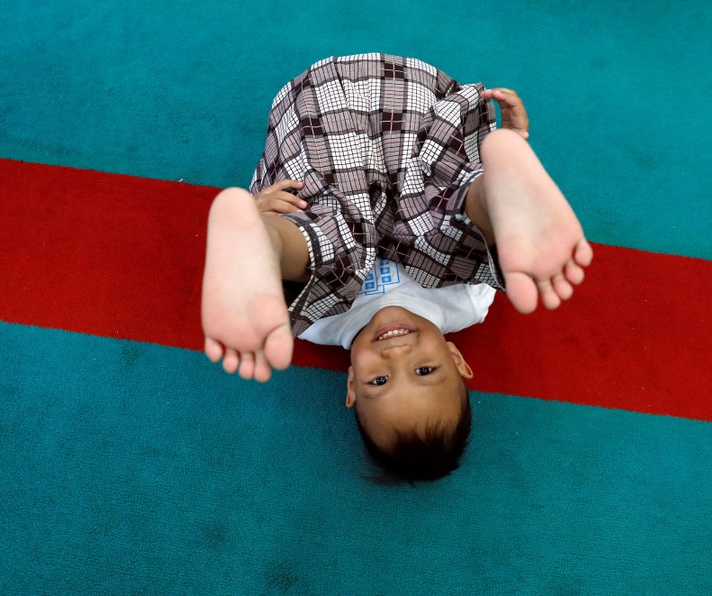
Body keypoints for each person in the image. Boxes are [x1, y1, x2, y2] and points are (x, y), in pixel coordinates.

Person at [201, 54, 593, 480]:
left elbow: (299, 209)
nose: (397, 355)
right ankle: (500, 191)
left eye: (379, 382)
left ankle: (261, 241)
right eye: (425, 370)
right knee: (452, 244)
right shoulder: (467, 304)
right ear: (456, 360)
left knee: (326, 270)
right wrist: (503, 151)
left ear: (352, 384)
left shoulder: (319, 325)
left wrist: (260, 215)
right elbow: (452, 195)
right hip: (411, 117)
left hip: (319, 123)